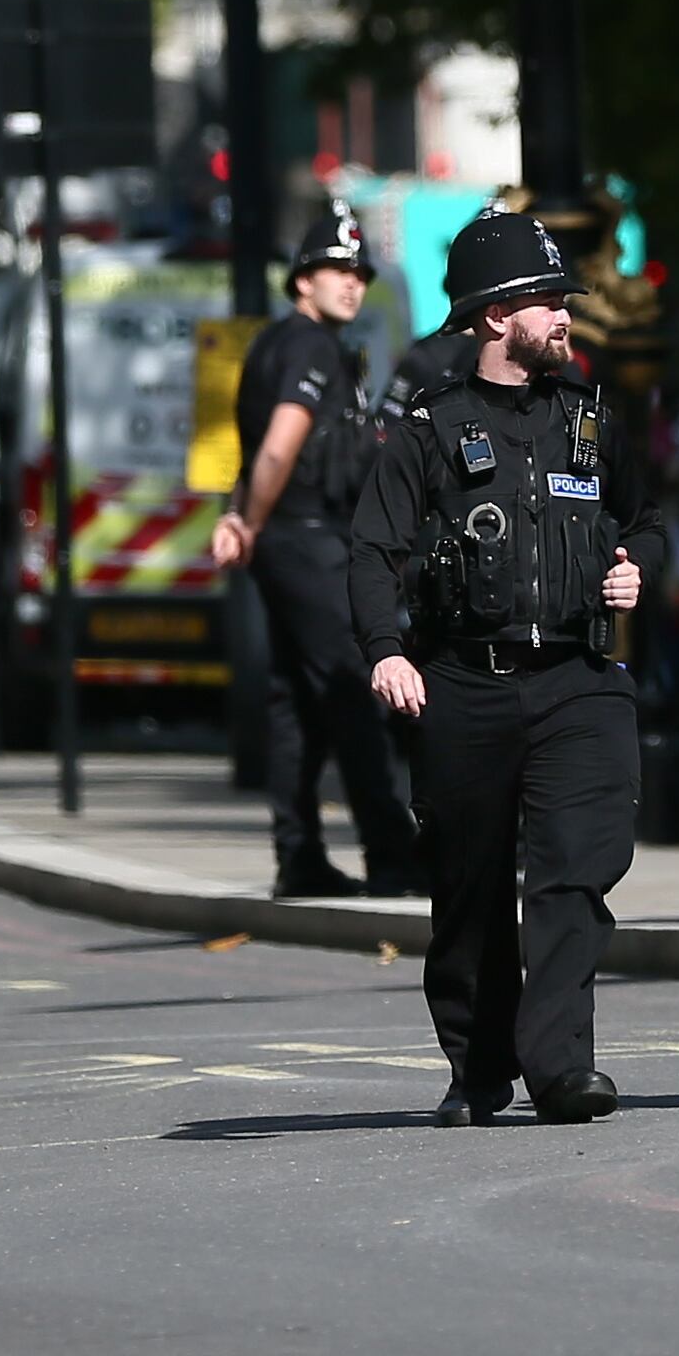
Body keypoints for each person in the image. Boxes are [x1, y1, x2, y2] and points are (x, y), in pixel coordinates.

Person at [349, 211, 649, 1125]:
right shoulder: (429, 429)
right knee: (470, 886)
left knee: (571, 875)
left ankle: (561, 1066)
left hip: (578, 680)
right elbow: (369, 550)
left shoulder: (593, 420)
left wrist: (638, 567)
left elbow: (647, 523)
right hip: (465, 683)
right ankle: (478, 1063)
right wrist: (386, 652)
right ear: (491, 317)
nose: (564, 316)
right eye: (547, 301)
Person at [211, 204, 422, 898]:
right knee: (351, 685)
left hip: (285, 538)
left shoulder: (274, 344)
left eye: (359, 271)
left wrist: (244, 517)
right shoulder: (310, 347)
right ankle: (391, 850)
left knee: (296, 701)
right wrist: (248, 519)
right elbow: (279, 442)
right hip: (306, 538)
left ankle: (298, 854)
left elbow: (257, 450)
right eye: (336, 268)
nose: (352, 282)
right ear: (302, 278)